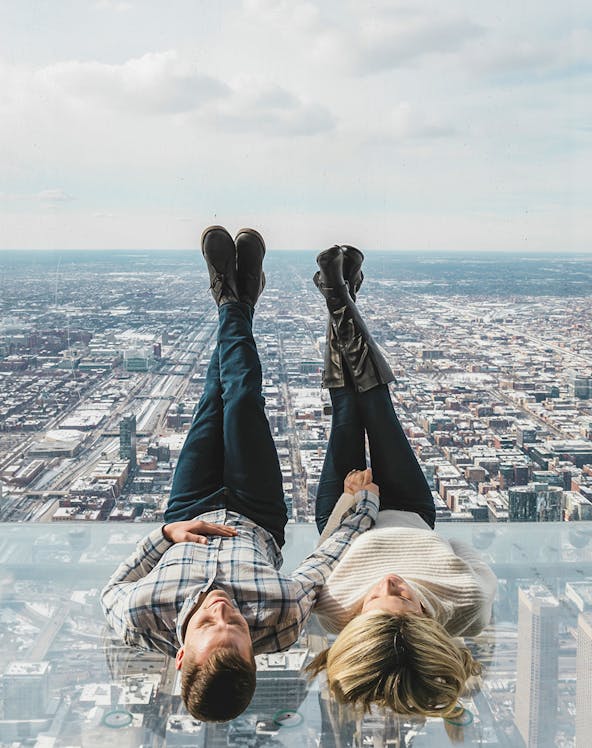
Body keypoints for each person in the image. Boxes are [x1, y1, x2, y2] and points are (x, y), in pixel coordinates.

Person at [101, 227, 380, 723]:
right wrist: (364, 506)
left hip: (188, 506)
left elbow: (111, 590)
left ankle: (238, 299)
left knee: (214, 396)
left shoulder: (140, 617)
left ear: (182, 654)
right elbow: (324, 559)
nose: (225, 608)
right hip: (256, 510)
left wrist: (167, 534)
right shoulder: (282, 618)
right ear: (256, 652)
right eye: (240, 627)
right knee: (244, 397)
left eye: (211, 620)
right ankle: (232, 299)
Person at [306, 245, 497, 719]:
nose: (389, 583)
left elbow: (327, 549)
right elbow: (456, 546)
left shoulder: (331, 611)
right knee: (378, 407)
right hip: (411, 508)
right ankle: (337, 295)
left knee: (347, 411)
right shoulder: (467, 603)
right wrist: (414, 540)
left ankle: (342, 295)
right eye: (406, 599)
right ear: (430, 626)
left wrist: (353, 503)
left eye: (374, 599)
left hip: (346, 506)